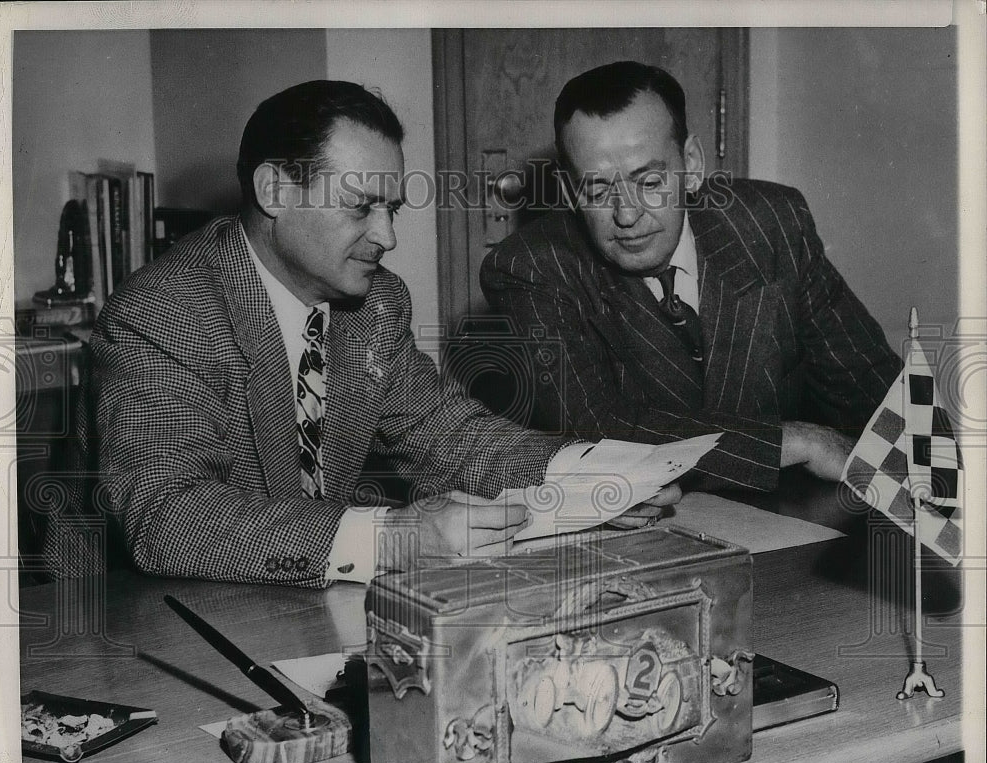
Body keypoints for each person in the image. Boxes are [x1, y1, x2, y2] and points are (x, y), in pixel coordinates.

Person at [43, 80, 678, 587]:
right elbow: (166, 517)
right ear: (274, 190)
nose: (387, 236)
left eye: (392, 208)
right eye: (361, 207)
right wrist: (394, 538)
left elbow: (449, 435)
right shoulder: (160, 312)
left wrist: (593, 477)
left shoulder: (376, 303)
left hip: (295, 592)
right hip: (128, 614)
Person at [481, 61, 902, 492]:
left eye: (649, 181)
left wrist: (935, 479)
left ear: (692, 164)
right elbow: (598, 433)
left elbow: (873, 387)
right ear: (571, 193)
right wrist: (795, 442)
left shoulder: (771, 225)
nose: (626, 215)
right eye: (598, 189)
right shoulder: (530, 268)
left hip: (784, 514)